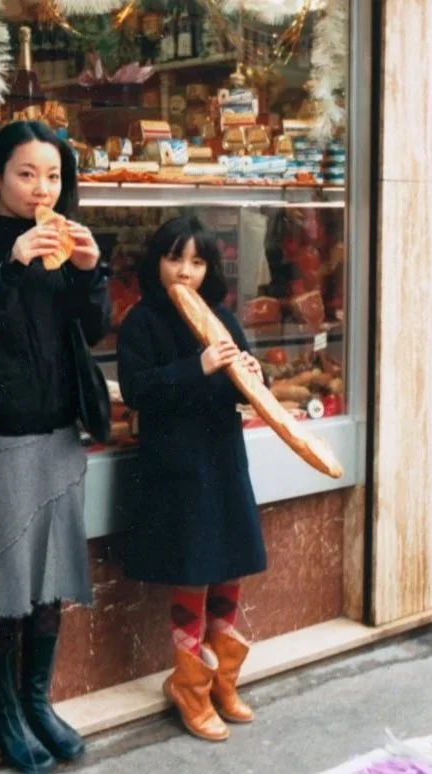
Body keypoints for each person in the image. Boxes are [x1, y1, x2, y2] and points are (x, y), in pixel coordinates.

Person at [0, 120, 109, 773]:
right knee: (4, 582)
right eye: (28, 174)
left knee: (47, 578)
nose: (43, 188)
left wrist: (91, 273)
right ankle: (6, 712)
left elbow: (89, 330)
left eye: (55, 175)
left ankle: (40, 702)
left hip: (57, 431)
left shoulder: (67, 244)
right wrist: (9, 266)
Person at [116, 215, 267, 743]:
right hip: (177, 466)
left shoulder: (222, 316)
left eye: (198, 261)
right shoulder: (141, 321)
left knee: (229, 566)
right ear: (156, 261)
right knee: (194, 569)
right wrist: (197, 366)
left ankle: (223, 681)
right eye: (175, 258)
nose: (185, 271)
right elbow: (137, 390)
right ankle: (190, 686)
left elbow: (240, 389)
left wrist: (250, 376)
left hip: (223, 459)